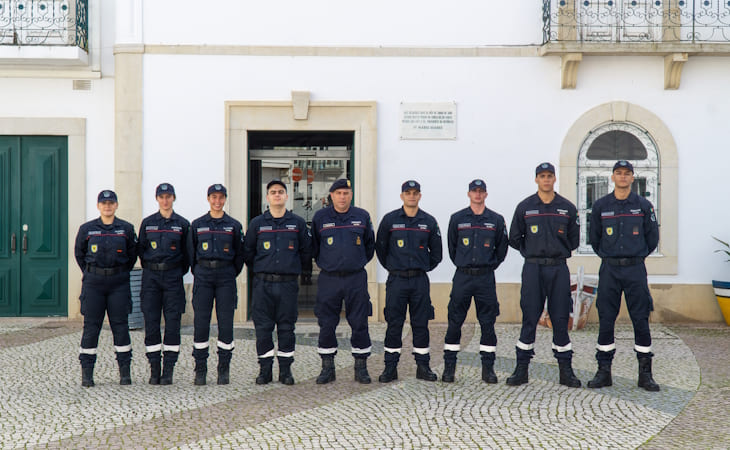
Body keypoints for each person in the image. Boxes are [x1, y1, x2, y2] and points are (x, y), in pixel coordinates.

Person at [506, 163, 581, 387]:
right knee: (529, 318)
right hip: (533, 269)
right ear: (536, 179)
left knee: (560, 318)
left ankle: (566, 372)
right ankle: (521, 370)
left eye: (549, 176)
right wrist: (531, 251)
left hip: (558, 269)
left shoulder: (567, 208)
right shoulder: (525, 207)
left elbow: (574, 240)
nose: (546, 180)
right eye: (542, 176)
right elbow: (514, 238)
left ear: (554, 179)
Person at [587, 160, 660, 392]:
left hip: (635, 269)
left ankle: (645, 375)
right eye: (618, 173)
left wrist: (635, 255)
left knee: (640, 318)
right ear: (612, 177)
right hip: (609, 269)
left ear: (632, 177)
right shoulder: (601, 206)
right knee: (606, 318)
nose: (622, 177)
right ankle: (603, 372)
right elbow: (594, 238)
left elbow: (652, 238)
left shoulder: (643, 205)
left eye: (627, 173)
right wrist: (609, 256)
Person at [244, 179, 312, 385]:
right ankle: (265, 371)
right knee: (263, 329)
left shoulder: (297, 223)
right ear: (267, 197)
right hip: (263, 284)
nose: (277, 195)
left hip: (287, 284)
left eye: (280, 192)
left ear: (286, 196)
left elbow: (306, 252)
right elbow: (248, 253)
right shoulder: (257, 224)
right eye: (273, 192)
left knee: (286, 328)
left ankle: (285, 371)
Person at [376, 180, 443, 383]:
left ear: (420, 196)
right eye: (408, 193)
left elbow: (437, 254)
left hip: (419, 281)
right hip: (396, 280)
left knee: (421, 324)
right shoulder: (390, 220)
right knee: (394, 324)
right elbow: (381, 249)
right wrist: (394, 267)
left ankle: (423, 367)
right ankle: (390, 368)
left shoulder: (428, 221)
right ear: (402, 196)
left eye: (415, 193)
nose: (411, 196)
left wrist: (422, 267)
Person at [442, 179, 508, 384]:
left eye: (481, 191)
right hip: (462, 276)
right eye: (474, 191)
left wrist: (489, 265)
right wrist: (463, 264)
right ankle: (449, 368)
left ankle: (488, 369)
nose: (477, 194)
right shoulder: (457, 218)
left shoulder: (496, 220)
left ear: (486, 194)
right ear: (469, 194)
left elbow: (502, 249)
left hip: (485, 278)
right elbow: (452, 248)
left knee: (487, 323)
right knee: (455, 322)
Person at [311, 178, 375, 384]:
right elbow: (314, 247)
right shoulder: (320, 217)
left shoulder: (362, 216)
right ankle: (327, 368)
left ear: (351, 195)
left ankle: (361, 368)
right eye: (338, 193)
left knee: (360, 322)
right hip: (329, 279)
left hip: (356, 278)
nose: (342, 197)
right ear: (331, 195)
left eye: (346, 193)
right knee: (327, 323)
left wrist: (355, 262)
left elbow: (369, 246)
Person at [74, 190, 138, 387]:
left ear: (116, 205)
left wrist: (118, 272)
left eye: (111, 203)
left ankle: (125, 374)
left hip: (118, 282)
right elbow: (79, 254)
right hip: (94, 283)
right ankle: (87, 374)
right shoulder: (87, 229)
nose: (107, 206)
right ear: (98, 206)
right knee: (91, 327)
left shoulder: (126, 229)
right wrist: (93, 272)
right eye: (104, 203)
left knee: (121, 327)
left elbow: (132, 255)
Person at [187, 184, 245, 386]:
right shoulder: (197, 224)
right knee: (201, 324)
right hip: (203, 276)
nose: (217, 201)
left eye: (221, 197)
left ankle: (223, 369)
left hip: (226, 277)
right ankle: (200, 369)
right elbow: (191, 254)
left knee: (226, 324)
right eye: (214, 197)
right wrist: (200, 271)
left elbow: (240, 255)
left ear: (225, 199)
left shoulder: (234, 225)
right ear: (208, 199)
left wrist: (229, 272)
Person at [137, 183, 190, 385]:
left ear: (173, 198)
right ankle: (154, 369)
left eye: (168, 196)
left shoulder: (182, 224)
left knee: (173, 324)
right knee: (151, 324)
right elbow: (141, 251)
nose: (165, 200)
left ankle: (168, 370)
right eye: (162, 197)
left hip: (173, 277)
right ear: (157, 199)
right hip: (151, 278)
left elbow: (188, 255)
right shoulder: (148, 223)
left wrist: (173, 270)